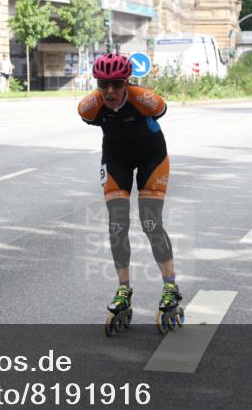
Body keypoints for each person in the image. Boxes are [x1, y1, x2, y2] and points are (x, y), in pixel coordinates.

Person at [77, 52, 181, 335]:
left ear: (127, 83)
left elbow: (160, 110)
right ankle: (123, 289)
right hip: (116, 161)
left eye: (117, 84)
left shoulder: (146, 100)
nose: (110, 91)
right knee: (117, 226)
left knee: (150, 223)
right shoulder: (89, 107)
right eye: (103, 84)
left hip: (152, 158)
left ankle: (170, 286)